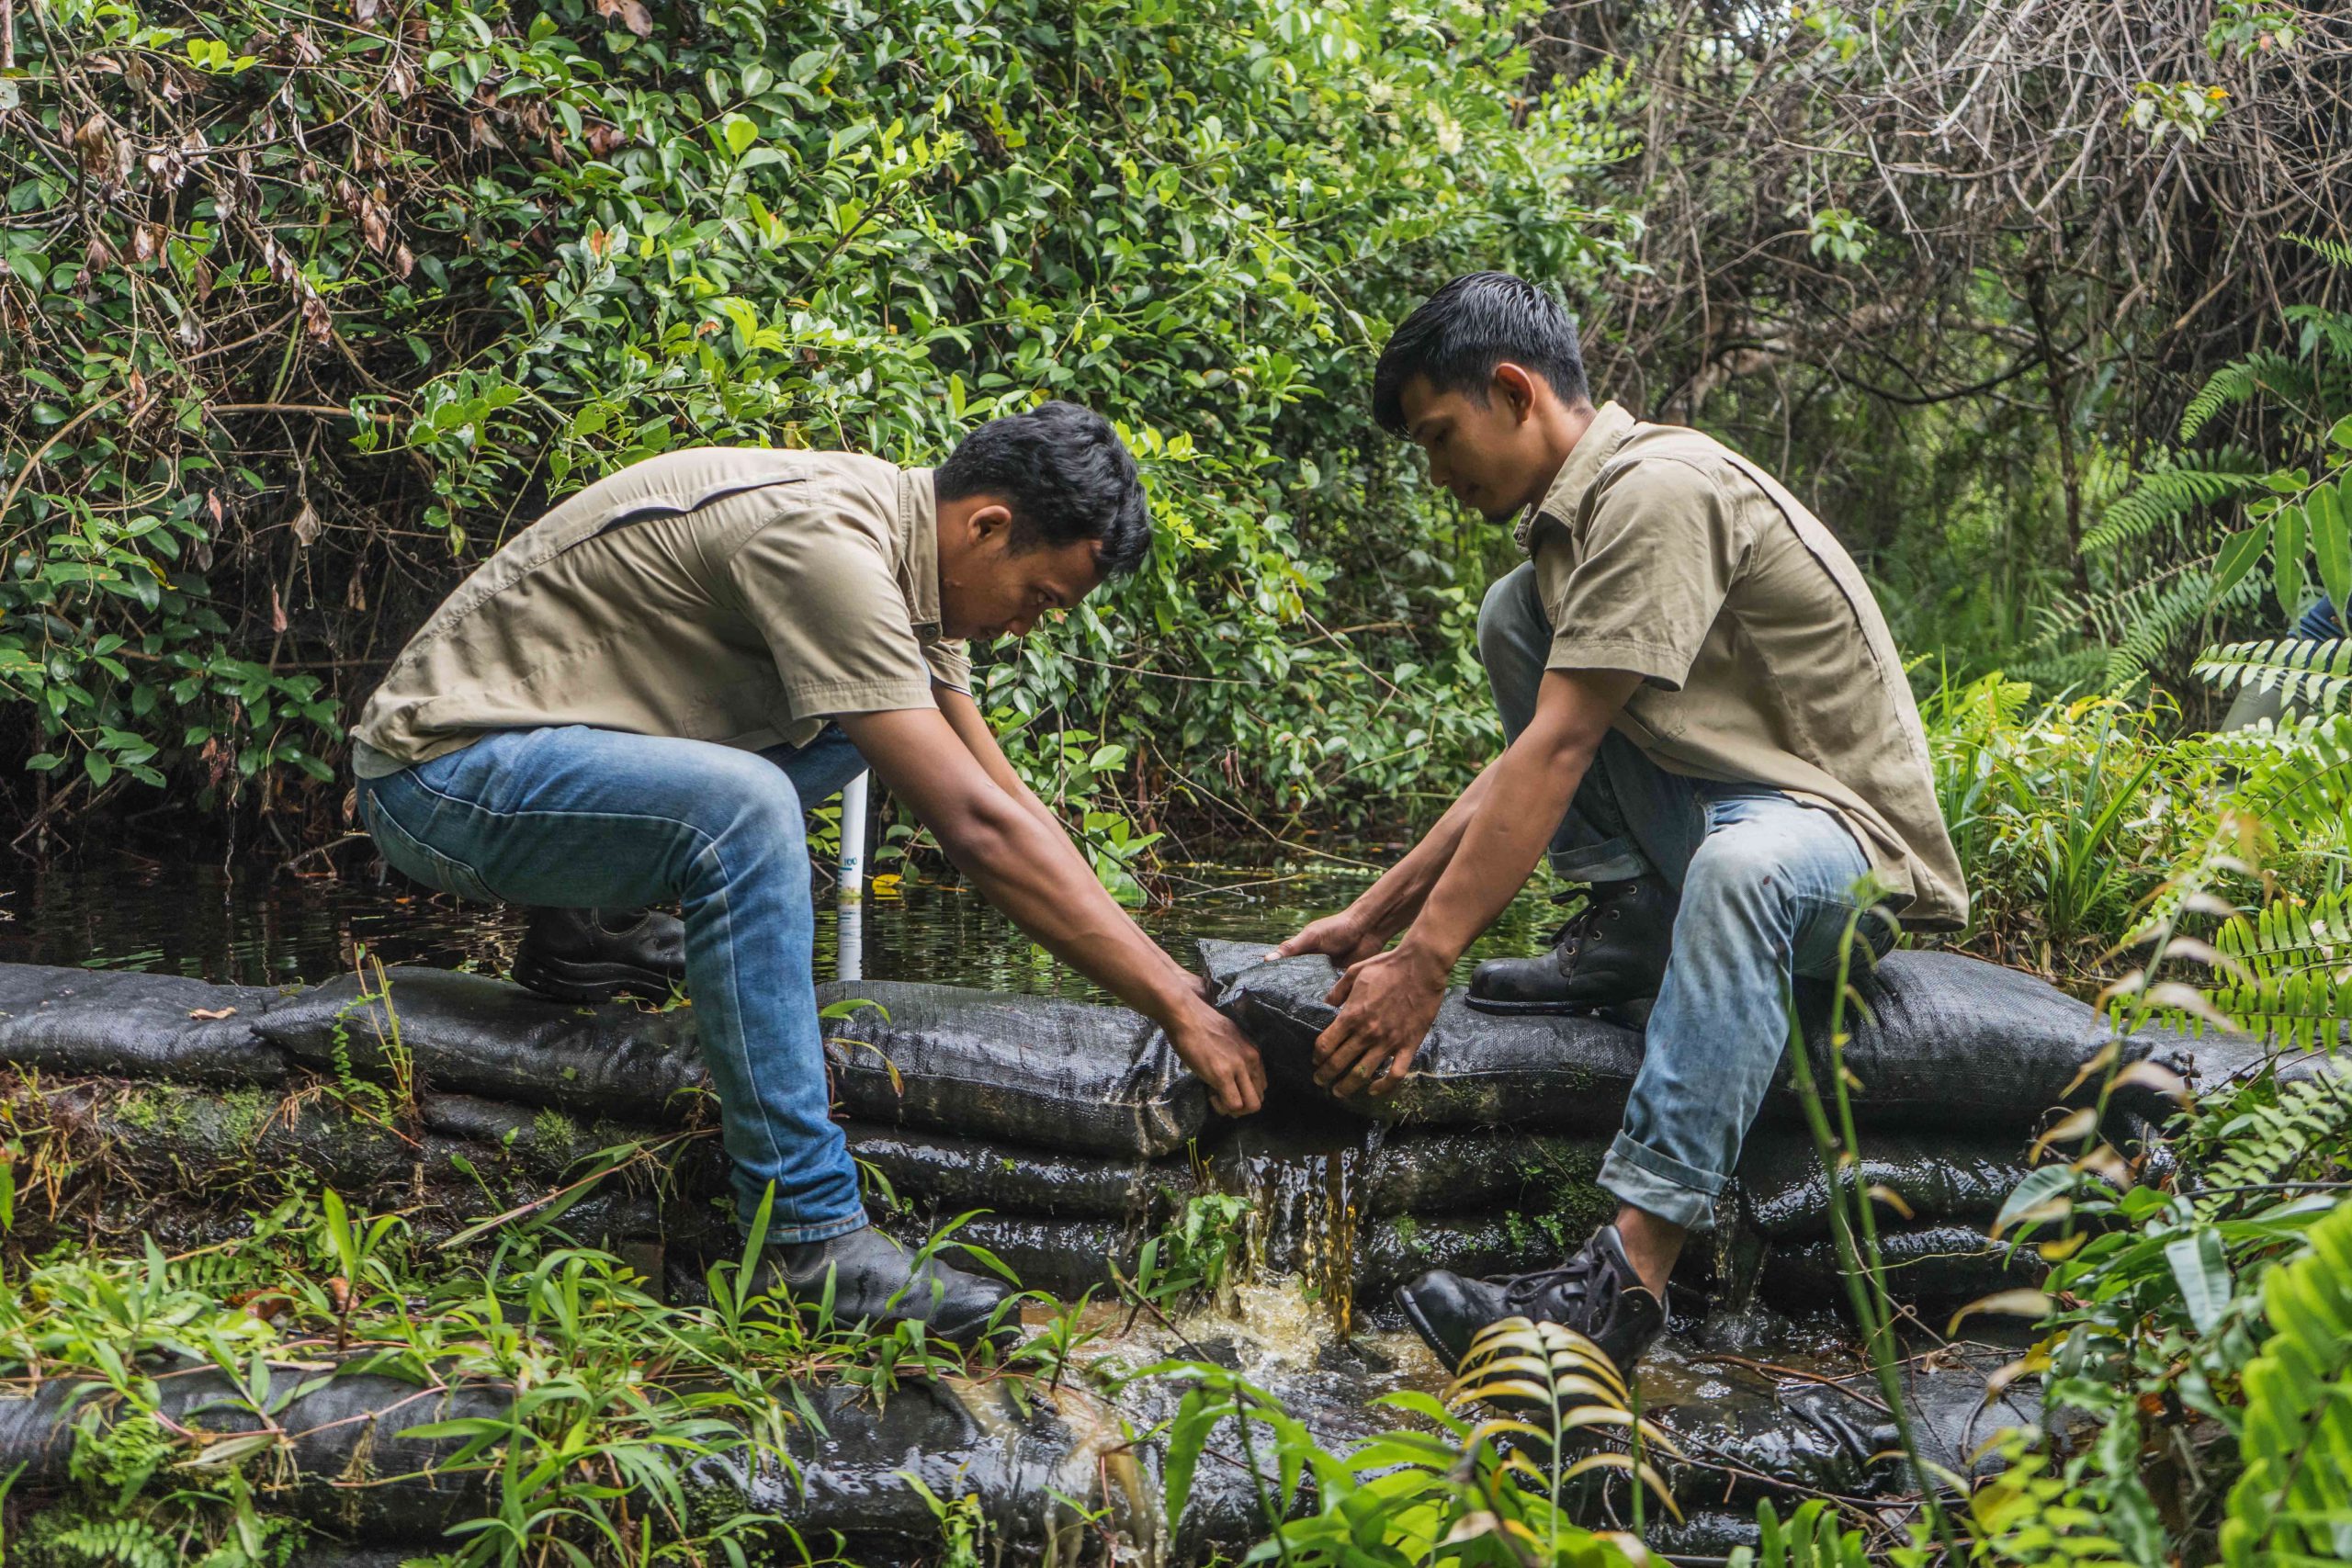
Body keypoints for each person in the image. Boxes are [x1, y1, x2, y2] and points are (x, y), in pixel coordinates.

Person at [349, 401, 1267, 1348]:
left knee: (857, 726)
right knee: (743, 806)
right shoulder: (828, 547)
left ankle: (587, 932)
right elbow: (978, 833)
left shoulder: (914, 578)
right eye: (1039, 596)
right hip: (440, 784)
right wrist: (1176, 1011)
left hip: (551, 773)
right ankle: (807, 1234)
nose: (1029, 626)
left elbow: (1008, 802)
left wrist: (1180, 984)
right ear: (986, 526)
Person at [1273, 274, 1967, 1376]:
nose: (1437, 472)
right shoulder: (1572, 531)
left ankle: (1619, 1285)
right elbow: (1534, 750)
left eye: (1438, 436)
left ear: (1512, 392)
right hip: (1715, 811)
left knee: (1738, 868)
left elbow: (1555, 753)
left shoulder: (1657, 489)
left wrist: (1428, 963)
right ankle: (1638, 915)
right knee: (1517, 617)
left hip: (1839, 853)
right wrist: (1373, 917)